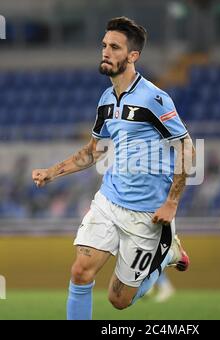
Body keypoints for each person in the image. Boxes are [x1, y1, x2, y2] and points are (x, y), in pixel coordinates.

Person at [32, 17, 193, 320]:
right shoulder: (106, 100)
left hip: (147, 213)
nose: (105, 51)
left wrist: (172, 203)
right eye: (104, 45)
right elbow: (93, 152)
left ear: (133, 56)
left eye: (115, 47)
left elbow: (186, 147)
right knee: (80, 271)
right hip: (109, 201)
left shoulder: (155, 98)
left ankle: (167, 253)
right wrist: (51, 172)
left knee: (118, 300)